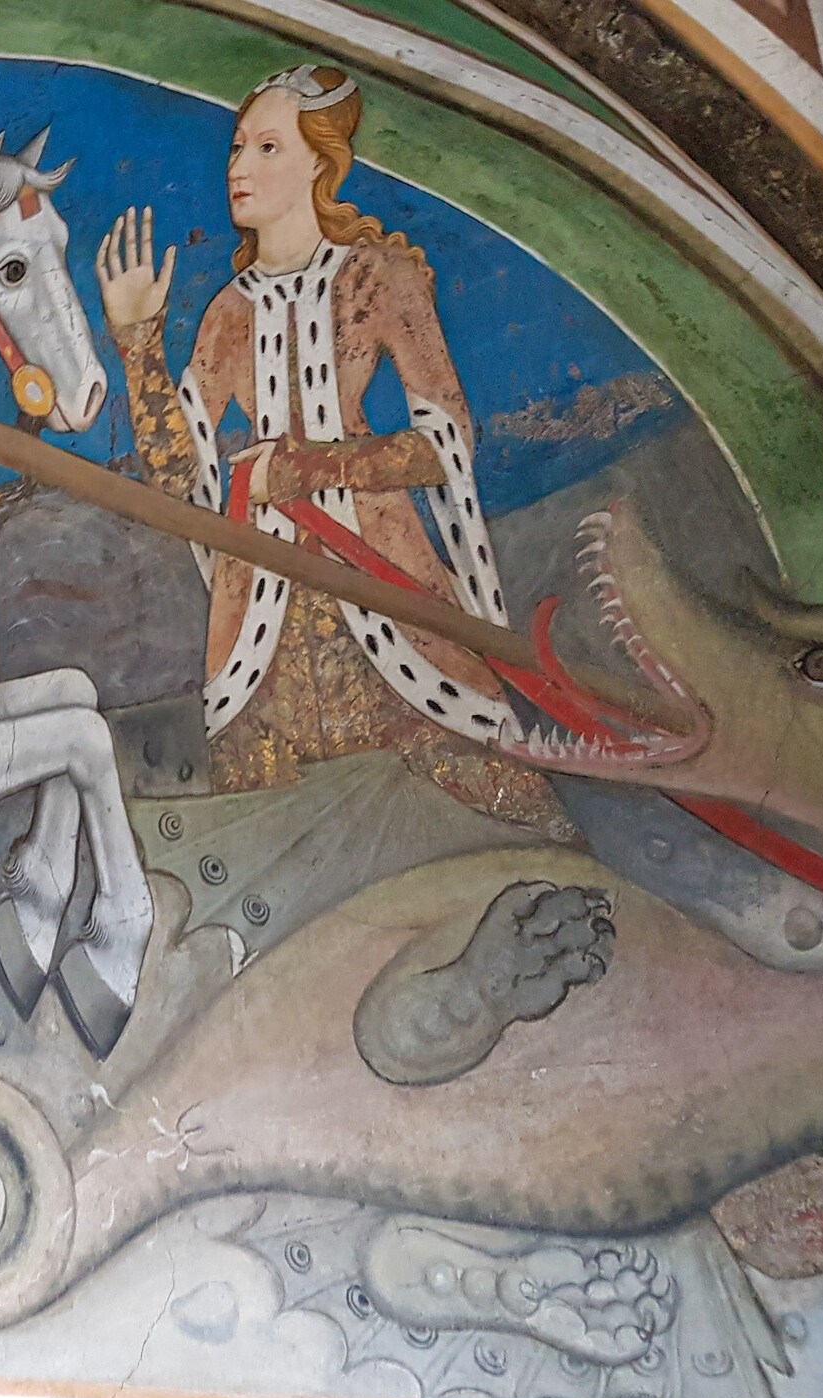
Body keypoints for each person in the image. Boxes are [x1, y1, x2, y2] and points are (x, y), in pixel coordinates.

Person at [97, 63, 566, 836]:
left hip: (389, 612)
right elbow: (179, 476)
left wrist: (308, 469)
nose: (239, 166)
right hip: (259, 648)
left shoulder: (377, 279)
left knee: (511, 820)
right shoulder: (227, 314)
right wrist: (138, 342)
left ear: (320, 162)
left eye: (266, 148)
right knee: (267, 844)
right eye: (237, 147)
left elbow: (446, 440)